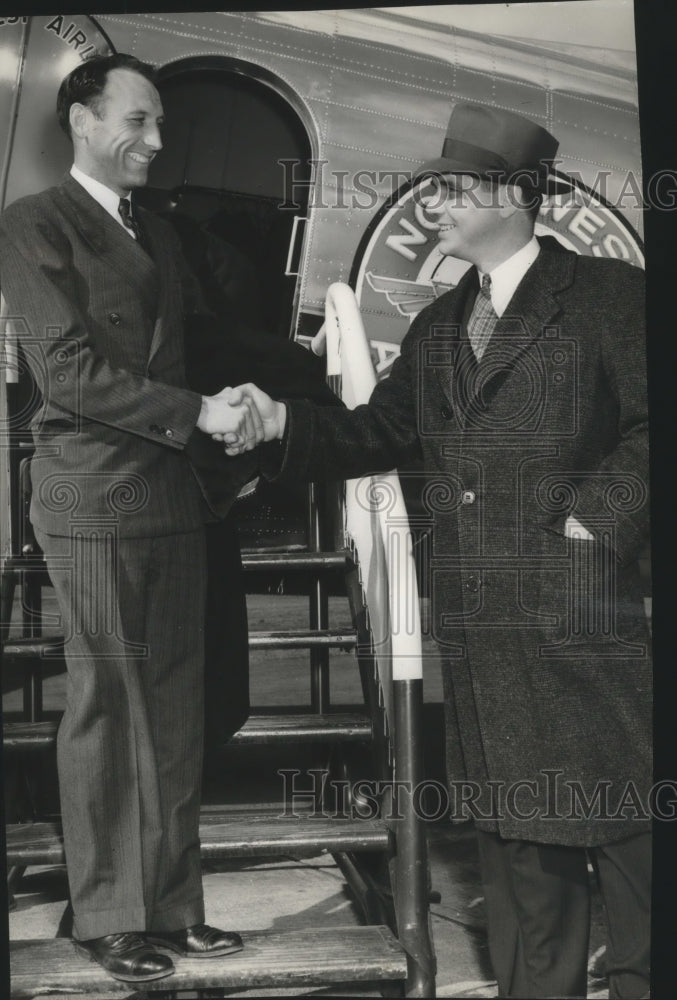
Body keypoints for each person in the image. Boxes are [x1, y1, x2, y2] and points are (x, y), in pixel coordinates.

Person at [228, 104, 652, 999]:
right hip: (484, 628)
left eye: (454, 190)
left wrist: (590, 528)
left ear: (513, 197)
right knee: (515, 837)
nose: (436, 206)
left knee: (627, 832)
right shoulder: (436, 327)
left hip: (585, 616)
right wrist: (276, 424)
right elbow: (376, 430)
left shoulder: (611, 297)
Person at [0, 53, 264, 983]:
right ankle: (109, 913)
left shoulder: (154, 229)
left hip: (169, 497)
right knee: (110, 707)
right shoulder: (30, 226)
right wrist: (194, 412)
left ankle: (173, 905)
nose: (155, 141)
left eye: (160, 125)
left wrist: (235, 406)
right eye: (137, 122)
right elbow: (69, 372)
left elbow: (189, 355)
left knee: (174, 713)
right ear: (81, 118)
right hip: (90, 498)